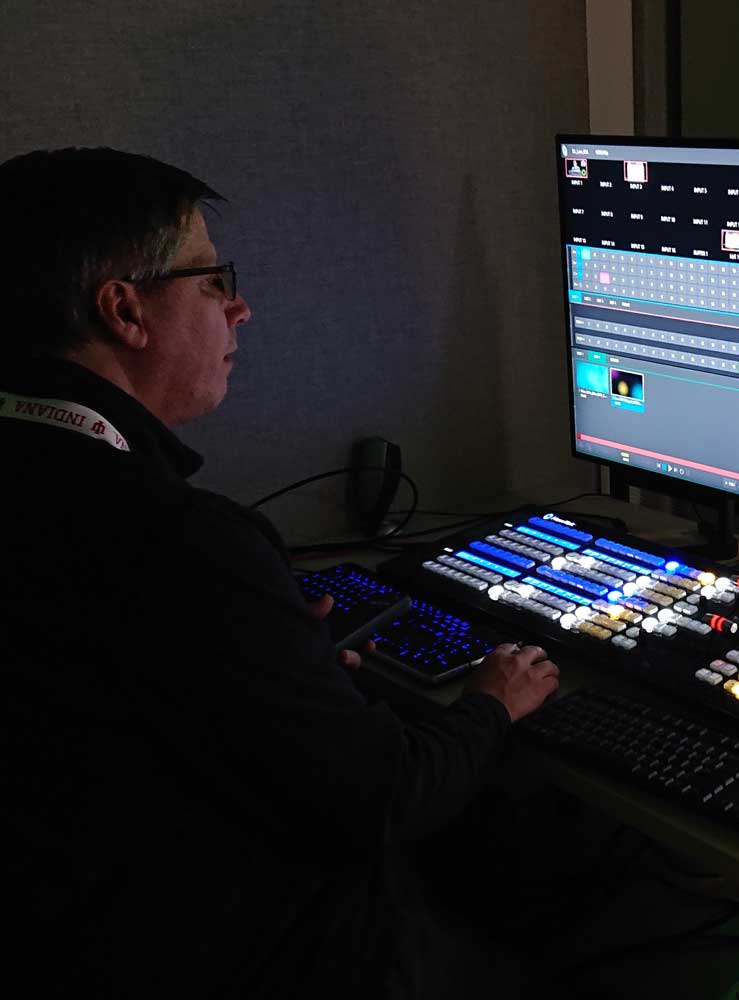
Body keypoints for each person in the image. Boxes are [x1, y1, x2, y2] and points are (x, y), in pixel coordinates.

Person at [0, 147, 560, 998]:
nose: (241, 308)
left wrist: (270, 671)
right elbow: (385, 796)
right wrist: (493, 698)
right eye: (212, 281)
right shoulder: (177, 540)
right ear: (125, 311)